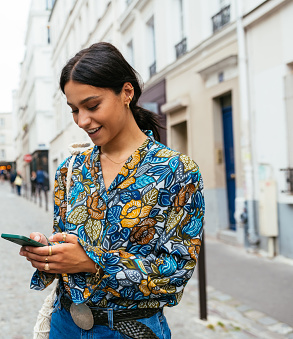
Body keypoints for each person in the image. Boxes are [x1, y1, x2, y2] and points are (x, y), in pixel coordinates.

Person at [19, 42, 205, 339]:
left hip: (132, 330)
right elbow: (68, 251)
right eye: (74, 110)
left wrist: (95, 263)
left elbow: (176, 273)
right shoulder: (70, 169)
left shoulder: (176, 171)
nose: (82, 121)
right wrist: (50, 255)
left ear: (126, 93)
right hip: (65, 324)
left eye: (92, 106)